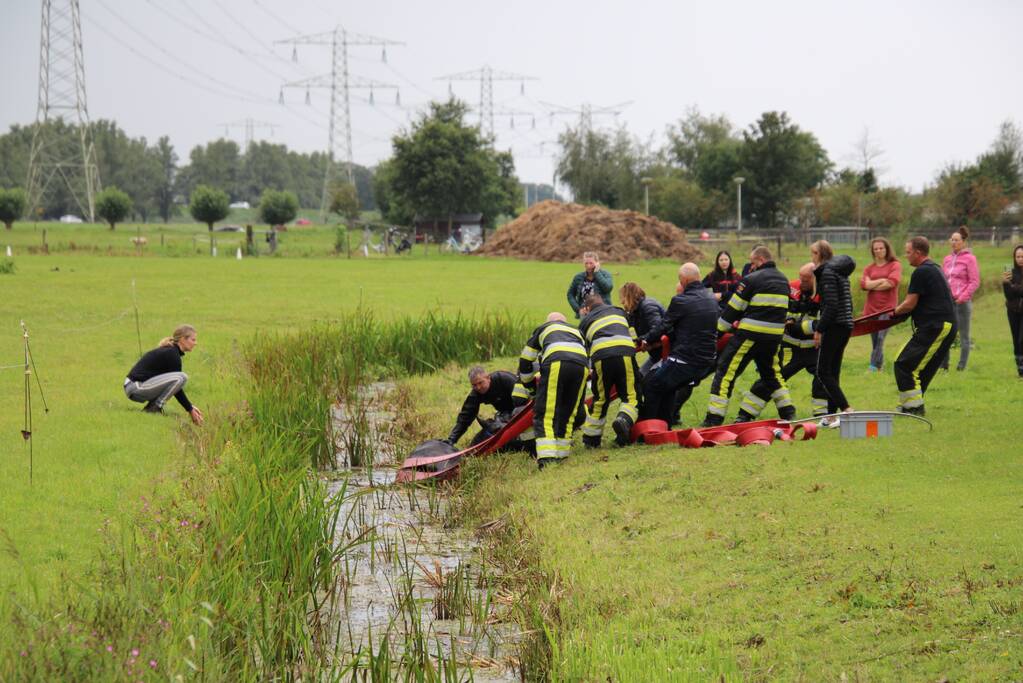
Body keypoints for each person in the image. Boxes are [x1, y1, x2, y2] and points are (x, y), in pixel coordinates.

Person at [701, 246, 794, 427]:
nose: (750, 267)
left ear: (759, 260)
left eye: (752, 263)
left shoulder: (751, 279)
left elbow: (733, 310)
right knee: (772, 374)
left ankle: (714, 418)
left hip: (750, 334)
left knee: (725, 372)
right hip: (774, 337)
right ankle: (788, 411)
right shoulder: (784, 280)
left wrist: (717, 334)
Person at [740, 262, 829, 421]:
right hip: (789, 347)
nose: (801, 283)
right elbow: (781, 309)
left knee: (823, 377)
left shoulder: (826, 294)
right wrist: (786, 320)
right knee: (771, 377)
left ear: (816, 279)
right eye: (800, 278)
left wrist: (796, 327)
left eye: (806, 279)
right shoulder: (791, 288)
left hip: (814, 349)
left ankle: (823, 415)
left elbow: (823, 323)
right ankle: (745, 414)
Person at [640, 263, 719, 424]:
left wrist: (646, 340)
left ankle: (646, 429)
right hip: (708, 360)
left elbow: (663, 325)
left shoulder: (681, 300)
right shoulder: (711, 298)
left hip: (686, 359)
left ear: (684, 280)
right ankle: (666, 424)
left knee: (651, 384)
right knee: (668, 386)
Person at [892, 236, 957, 415]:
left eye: (908, 252)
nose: (906, 256)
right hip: (942, 325)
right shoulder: (934, 268)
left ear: (918, 253)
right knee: (919, 368)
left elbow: (910, 303)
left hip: (936, 326)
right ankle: (910, 406)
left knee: (903, 364)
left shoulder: (921, 272)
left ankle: (914, 408)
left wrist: (894, 312)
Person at [518, 312, 589, 469]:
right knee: (569, 413)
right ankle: (562, 455)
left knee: (545, 413)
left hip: (557, 363)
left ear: (548, 322)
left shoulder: (544, 328)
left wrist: (530, 388)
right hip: (582, 367)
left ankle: (547, 458)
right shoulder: (577, 331)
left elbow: (525, 361)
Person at [578, 293, 642, 447]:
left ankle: (591, 439)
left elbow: (584, 349)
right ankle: (623, 420)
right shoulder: (619, 311)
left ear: (587, 308)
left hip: (601, 358)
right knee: (630, 395)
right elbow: (632, 334)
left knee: (600, 398)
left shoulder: (585, 322)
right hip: (624, 354)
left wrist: (588, 367)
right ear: (603, 302)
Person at [809, 240, 855, 425]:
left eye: (813, 253)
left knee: (822, 371)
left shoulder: (827, 273)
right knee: (833, 371)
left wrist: (819, 329)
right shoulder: (838, 272)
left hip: (835, 325)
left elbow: (831, 306)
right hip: (845, 324)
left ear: (820, 255)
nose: (811, 257)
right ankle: (830, 416)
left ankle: (846, 409)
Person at [124, 324, 204, 424]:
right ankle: (154, 408)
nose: (195, 343)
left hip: (136, 387)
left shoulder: (171, 351)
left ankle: (152, 407)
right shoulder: (172, 354)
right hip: (135, 388)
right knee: (182, 377)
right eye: (193, 340)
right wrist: (190, 409)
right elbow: (177, 388)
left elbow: (174, 387)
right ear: (183, 339)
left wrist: (190, 407)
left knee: (180, 378)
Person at [445, 366, 531, 447]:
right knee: (495, 426)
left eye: (480, 383)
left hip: (524, 408)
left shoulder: (504, 379)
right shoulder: (475, 394)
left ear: (488, 378)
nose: (478, 387)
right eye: (474, 385)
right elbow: (465, 418)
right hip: (504, 413)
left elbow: (526, 399)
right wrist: (452, 439)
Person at [941, 226, 980, 371]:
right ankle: (944, 365)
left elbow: (974, 281)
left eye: (956, 240)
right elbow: (943, 279)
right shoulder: (947, 259)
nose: (953, 242)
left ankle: (961, 366)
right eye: (952, 240)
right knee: (945, 334)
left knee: (964, 335)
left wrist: (962, 297)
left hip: (962, 302)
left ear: (963, 242)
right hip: (947, 302)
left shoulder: (970, 259)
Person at [860, 237, 902, 371]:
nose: (878, 251)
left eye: (881, 248)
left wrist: (871, 284)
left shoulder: (895, 265)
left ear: (887, 249)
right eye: (876, 249)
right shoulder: (868, 268)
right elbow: (863, 285)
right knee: (875, 341)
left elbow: (891, 283)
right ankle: (880, 367)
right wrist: (881, 280)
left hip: (887, 309)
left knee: (880, 338)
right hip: (871, 309)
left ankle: (872, 367)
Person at [619, 282, 665, 376]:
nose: (622, 302)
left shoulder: (648, 307)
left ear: (629, 297)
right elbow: (624, 324)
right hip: (656, 355)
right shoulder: (635, 311)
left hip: (666, 354)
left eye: (622, 298)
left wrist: (642, 340)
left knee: (647, 382)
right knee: (640, 377)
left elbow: (658, 329)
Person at [567, 251, 613, 318]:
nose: (588, 266)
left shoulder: (605, 274)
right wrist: (578, 309)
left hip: (602, 312)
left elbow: (608, 288)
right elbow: (570, 294)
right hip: (585, 314)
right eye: (586, 263)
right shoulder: (578, 277)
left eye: (591, 263)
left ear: (597, 263)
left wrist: (597, 273)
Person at [1003, 244, 1023, 378]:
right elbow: (1008, 295)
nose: (1020, 259)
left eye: (1022, 256)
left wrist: (1013, 286)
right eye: (1018, 256)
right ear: (1014, 258)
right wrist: (1007, 284)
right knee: (1016, 340)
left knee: (1022, 339)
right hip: (1012, 311)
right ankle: (1020, 369)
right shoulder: (1010, 272)